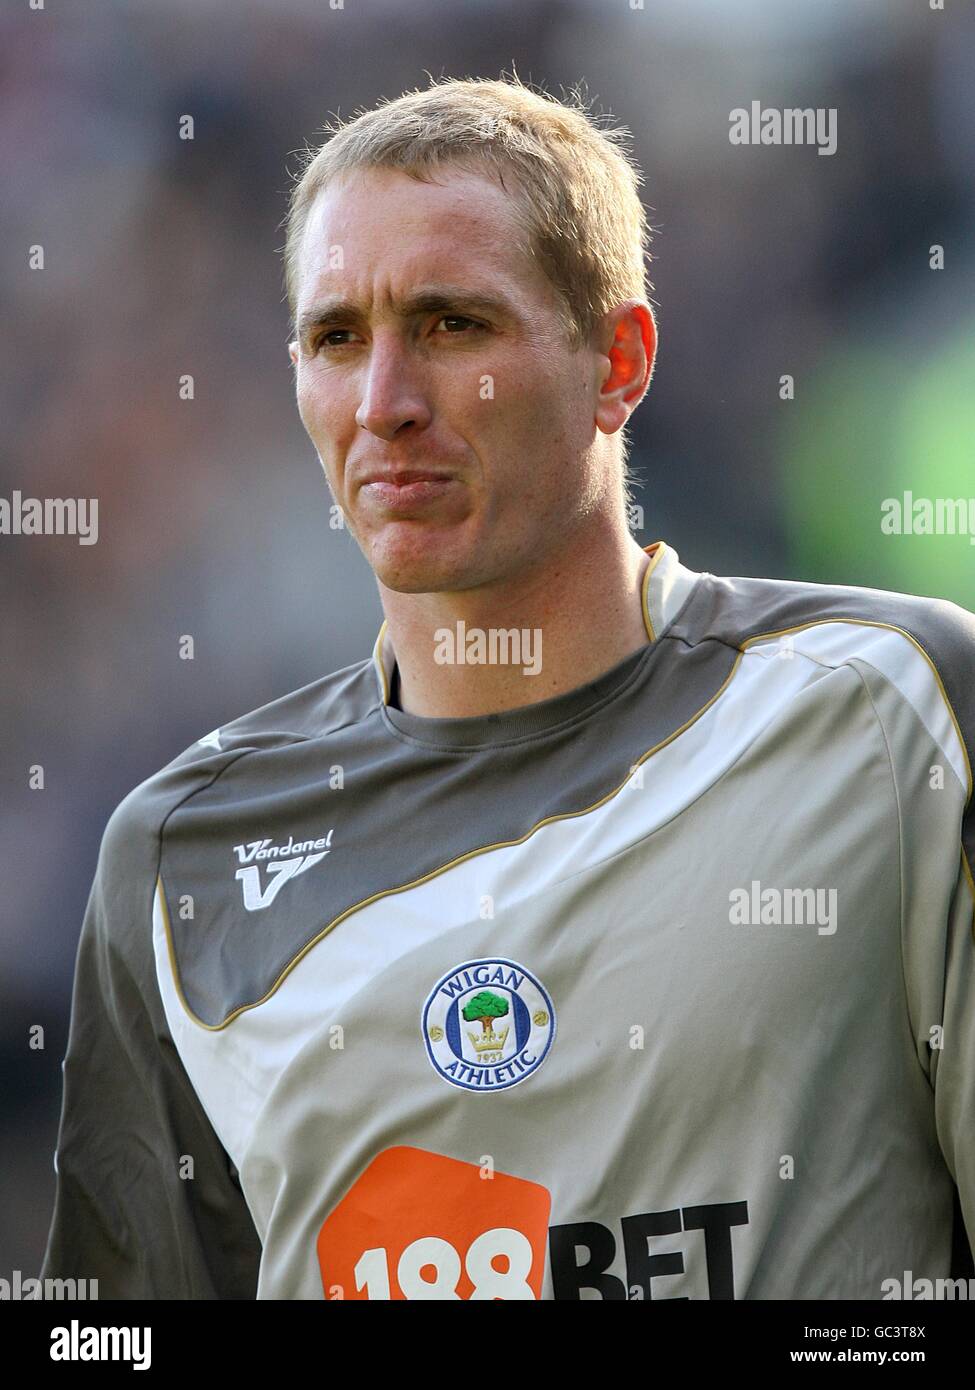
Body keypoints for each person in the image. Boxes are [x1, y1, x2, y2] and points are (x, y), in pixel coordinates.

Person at [41, 74, 975, 1301]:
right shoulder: (180, 859)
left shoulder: (893, 711)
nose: (384, 405)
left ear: (619, 364)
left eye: (451, 326)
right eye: (336, 339)